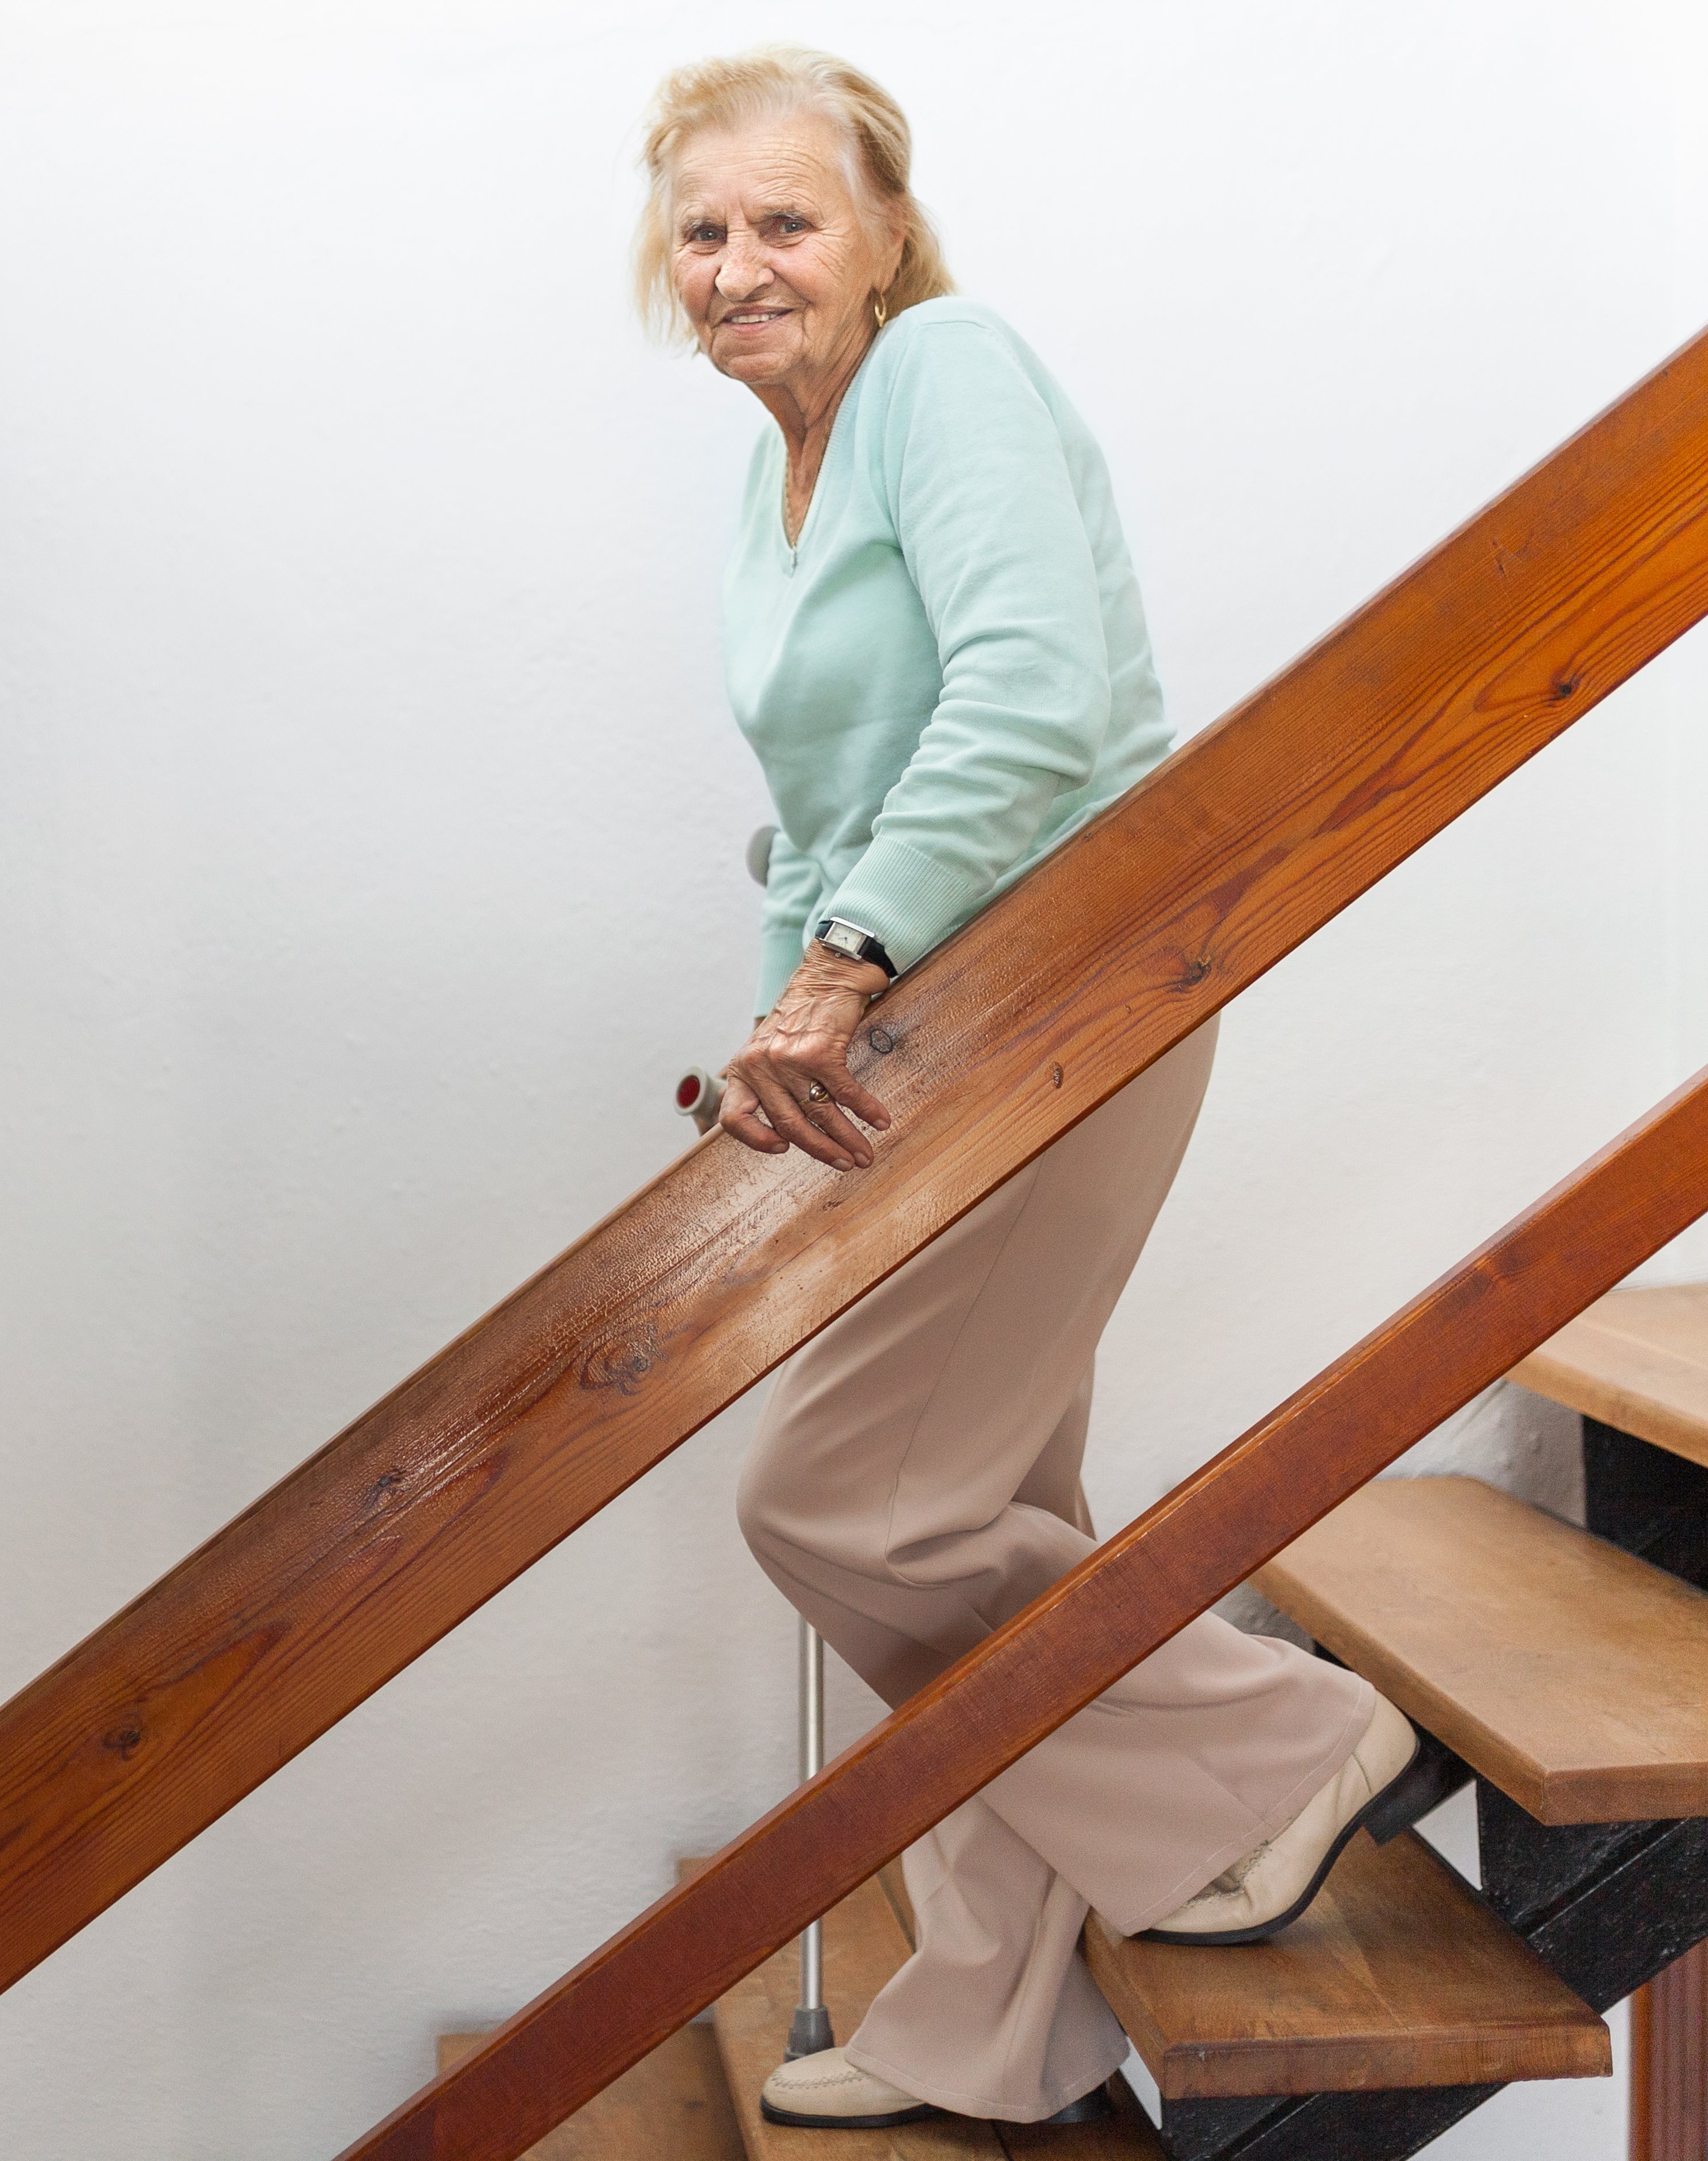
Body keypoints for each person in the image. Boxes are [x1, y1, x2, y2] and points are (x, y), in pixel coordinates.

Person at [646, 48, 1436, 2130]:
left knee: (845, 1504)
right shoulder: (778, 471)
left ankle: (1277, 1747)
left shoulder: (949, 370)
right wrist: (777, 1060)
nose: (738, 266)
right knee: (995, 1520)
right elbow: (820, 825)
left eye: (784, 220)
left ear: (887, 232)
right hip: (933, 1034)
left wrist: (843, 974)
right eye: (702, 230)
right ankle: (992, 2026)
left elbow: (1035, 695)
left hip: (1070, 998)